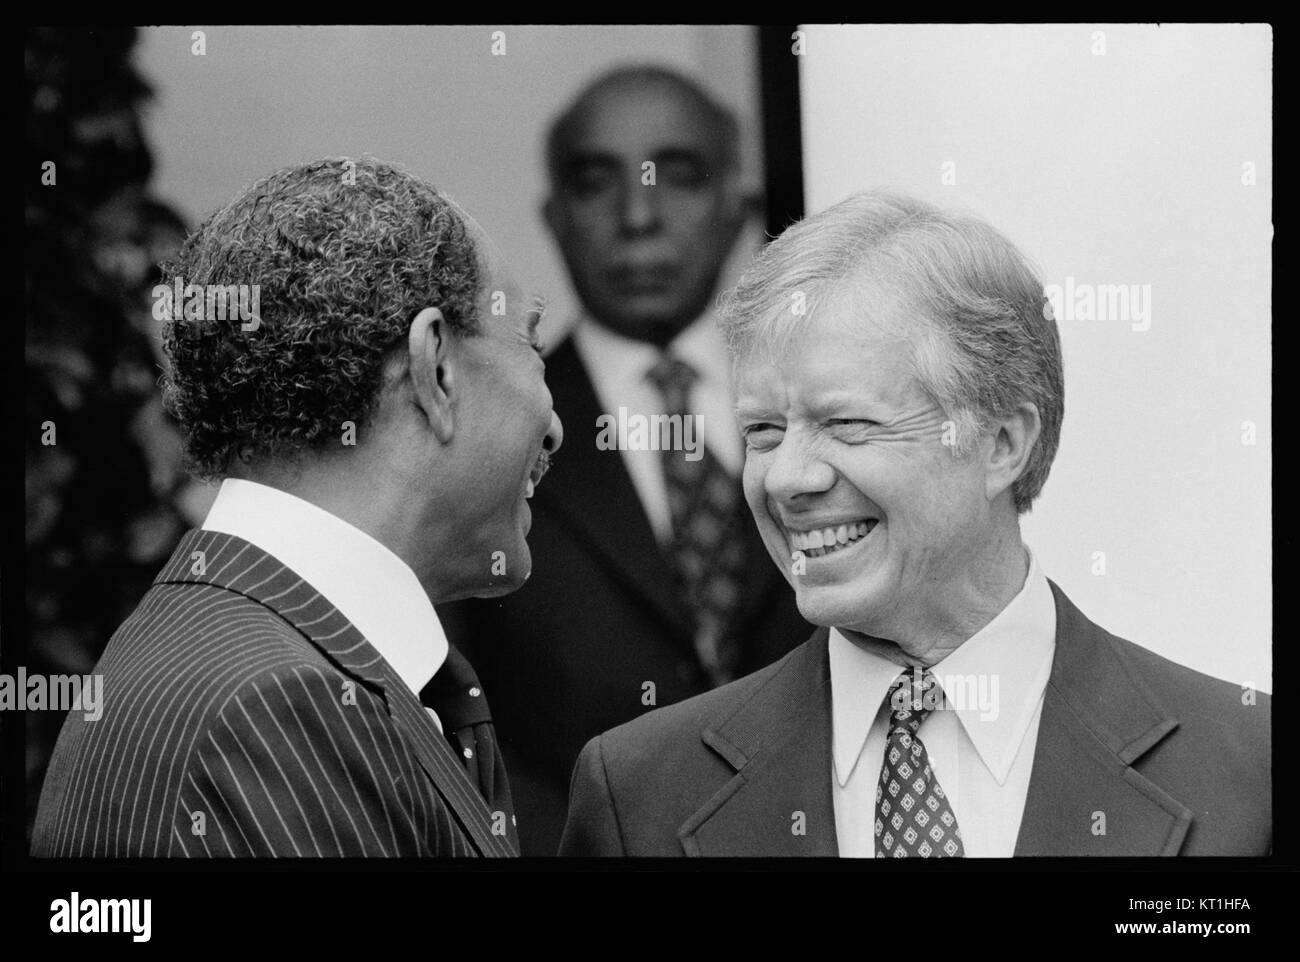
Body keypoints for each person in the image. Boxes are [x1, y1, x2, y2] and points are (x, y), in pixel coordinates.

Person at [560, 189, 1271, 857]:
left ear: (1001, 443)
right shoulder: (639, 792)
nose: (786, 479)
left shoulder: (1251, 772)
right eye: (763, 432)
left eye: (845, 424)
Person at [32, 157, 563, 857]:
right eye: (530, 344)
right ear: (435, 365)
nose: (554, 426)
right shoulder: (277, 708)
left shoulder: (256, 654)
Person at [437, 66, 807, 855]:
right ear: (554, 217)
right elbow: (452, 727)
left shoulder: (829, 408)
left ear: (739, 208)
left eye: (680, 176)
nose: (638, 216)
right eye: (593, 181)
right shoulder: (476, 435)